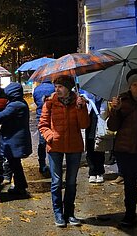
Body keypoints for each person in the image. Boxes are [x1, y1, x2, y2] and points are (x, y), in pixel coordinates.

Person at [38, 75, 89, 227]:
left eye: (60, 86)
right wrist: (50, 136)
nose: (57, 89)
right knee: (56, 182)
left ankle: (70, 213)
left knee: (71, 182)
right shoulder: (50, 102)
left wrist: (81, 108)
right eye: (56, 86)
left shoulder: (78, 102)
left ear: (68, 88)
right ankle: (58, 214)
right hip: (55, 147)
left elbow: (84, 125)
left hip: (74, 146)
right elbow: (43, 124)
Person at [107, 68, 137, 228]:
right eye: (135, 84)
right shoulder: (122, 101)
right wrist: (115, 111)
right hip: (127, 152)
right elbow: (112, 126)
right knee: (129, 187)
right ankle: (130, 216)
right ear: (129, 86)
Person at [0, 82, 32, 196]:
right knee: (15, 163)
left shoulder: (15, 105)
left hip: (14, 140)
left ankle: (21, 187)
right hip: (17, 139)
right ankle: (21, 185)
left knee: (15, 163)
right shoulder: (19, 102)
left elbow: (0, 116)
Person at [32, 78, 55, 175]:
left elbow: (37, 102)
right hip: (52, 116)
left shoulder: (37, 89)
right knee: (52, 140)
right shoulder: (54, 88)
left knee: (42, 142)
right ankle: (53, 163)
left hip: (40, 116)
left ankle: (42, 164)